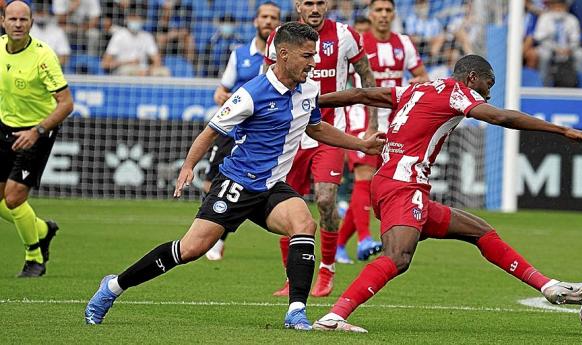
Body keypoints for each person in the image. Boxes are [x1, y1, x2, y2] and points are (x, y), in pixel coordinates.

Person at [83, 22, 386, 330]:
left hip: (271, 188)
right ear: (284, 54)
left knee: (304, 224)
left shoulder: (308, 89)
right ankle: (112, 287)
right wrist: (188, 166)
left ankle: (296, 312)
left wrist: (360, 143)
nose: (314, 63)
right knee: (190, 250)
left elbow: (316, 127)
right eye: (307, 56)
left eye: (314, 55)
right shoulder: (251, 94)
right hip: (236, 184)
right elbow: (211, 131)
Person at [310, 54, 582, 333]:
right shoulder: (456, 92)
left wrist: (315, 100)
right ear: (473, 77)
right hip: (403, 185)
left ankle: (548, 286)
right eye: (488, 85)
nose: (487, 95)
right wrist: (563, 130)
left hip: (392, 184)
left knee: (481, 232)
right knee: (398, 257)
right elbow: (501, 118)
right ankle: (336, 316)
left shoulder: (416, 89)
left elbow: (362, 94)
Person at [263, 0, 378, 298]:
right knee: (287, 206)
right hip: (290, 135)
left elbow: (366, 75)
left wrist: (372, 120)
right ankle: (292, 277)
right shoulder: (279, 37)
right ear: (297, 5)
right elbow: (267, 82)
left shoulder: (345, 35)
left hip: (327, 132)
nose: (315, 8)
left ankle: (327, 269)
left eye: (320, 2)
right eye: (308, 3)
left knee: (326, 199)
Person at [336, 0, 430, 265]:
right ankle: (365, 238)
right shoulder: (358, 42)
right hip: (360, 117)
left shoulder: (404, 43)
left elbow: (422, 75)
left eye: (388, 10)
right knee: (363, 176)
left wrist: (418, 82)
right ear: (371, 14)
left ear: (394, 14)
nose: (384, 15)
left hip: (395, 122)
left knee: (375, 187)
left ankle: (341, 245)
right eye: (378, 10)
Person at [0, 0, 74, 277]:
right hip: (5, 126)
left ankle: (34, 258)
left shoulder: (43, 56)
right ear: (3, 22)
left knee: (14, 198)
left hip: (37, 130)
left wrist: (37, 131)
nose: (18, 24)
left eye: (24, 20)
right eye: (13, 19)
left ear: (31, 23)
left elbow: (66, 104)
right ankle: (43, 229)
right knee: (2, 200)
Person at [204, 1, 281, 261]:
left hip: (260, 134)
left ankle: (218, 239)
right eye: (264, 16)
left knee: (251, 182)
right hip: (233, 128)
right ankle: (212, 229)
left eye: (273, 17)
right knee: (209, 182)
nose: (268, 21)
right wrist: (225, 97)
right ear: (255, 21)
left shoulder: (282, 57)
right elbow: (220, 90)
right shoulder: (239, 54)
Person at [101, 6, 170, 77]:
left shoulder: (147, 37)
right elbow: (105, 63)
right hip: (124, 67)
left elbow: (157, 60)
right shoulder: (119, 36)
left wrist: (148, 70)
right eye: (132, 18)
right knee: (129, 71)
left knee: (164, 71)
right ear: (127, 19)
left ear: (142, 21)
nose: (135, 21)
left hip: (144, 70)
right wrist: (129, 62)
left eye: (137, 18)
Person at [533, 0, 582, 87]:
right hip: (548, 47)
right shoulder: (544, 18)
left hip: (568, 49)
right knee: (545, 55)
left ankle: (580, 84)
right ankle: (543, 84)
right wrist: (555, 49)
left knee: (581, 54)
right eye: (556, 6)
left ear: (566, 7)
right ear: (551, 6)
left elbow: (575, 39)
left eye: (561, 6)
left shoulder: (572, 19)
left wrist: (569, 49)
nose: (558, 8)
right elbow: (539, 38)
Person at [29, 1, 70, 67]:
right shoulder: (27, 30)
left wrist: (47, 66)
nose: (41, 15)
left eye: (43, 12)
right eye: (39, 12)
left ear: (49, 13)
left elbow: (64, 56)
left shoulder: (57, 31)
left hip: (51, 69)